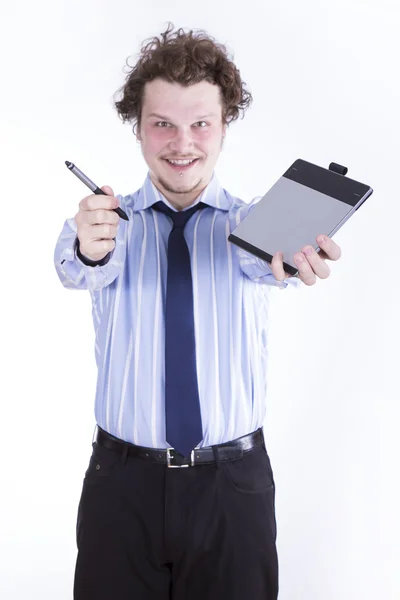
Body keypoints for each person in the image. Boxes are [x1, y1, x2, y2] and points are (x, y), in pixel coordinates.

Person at [54, 23, 341, 600]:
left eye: (200, 124)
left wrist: (298, 261)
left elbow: (272, 265)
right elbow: (76, 266)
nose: (182, 143)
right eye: (162, 123)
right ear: (137, 127)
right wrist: (88, 245)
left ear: (224, 126)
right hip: (121, 486)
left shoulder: (254, 225)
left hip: (233, 489)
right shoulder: (104, 225)